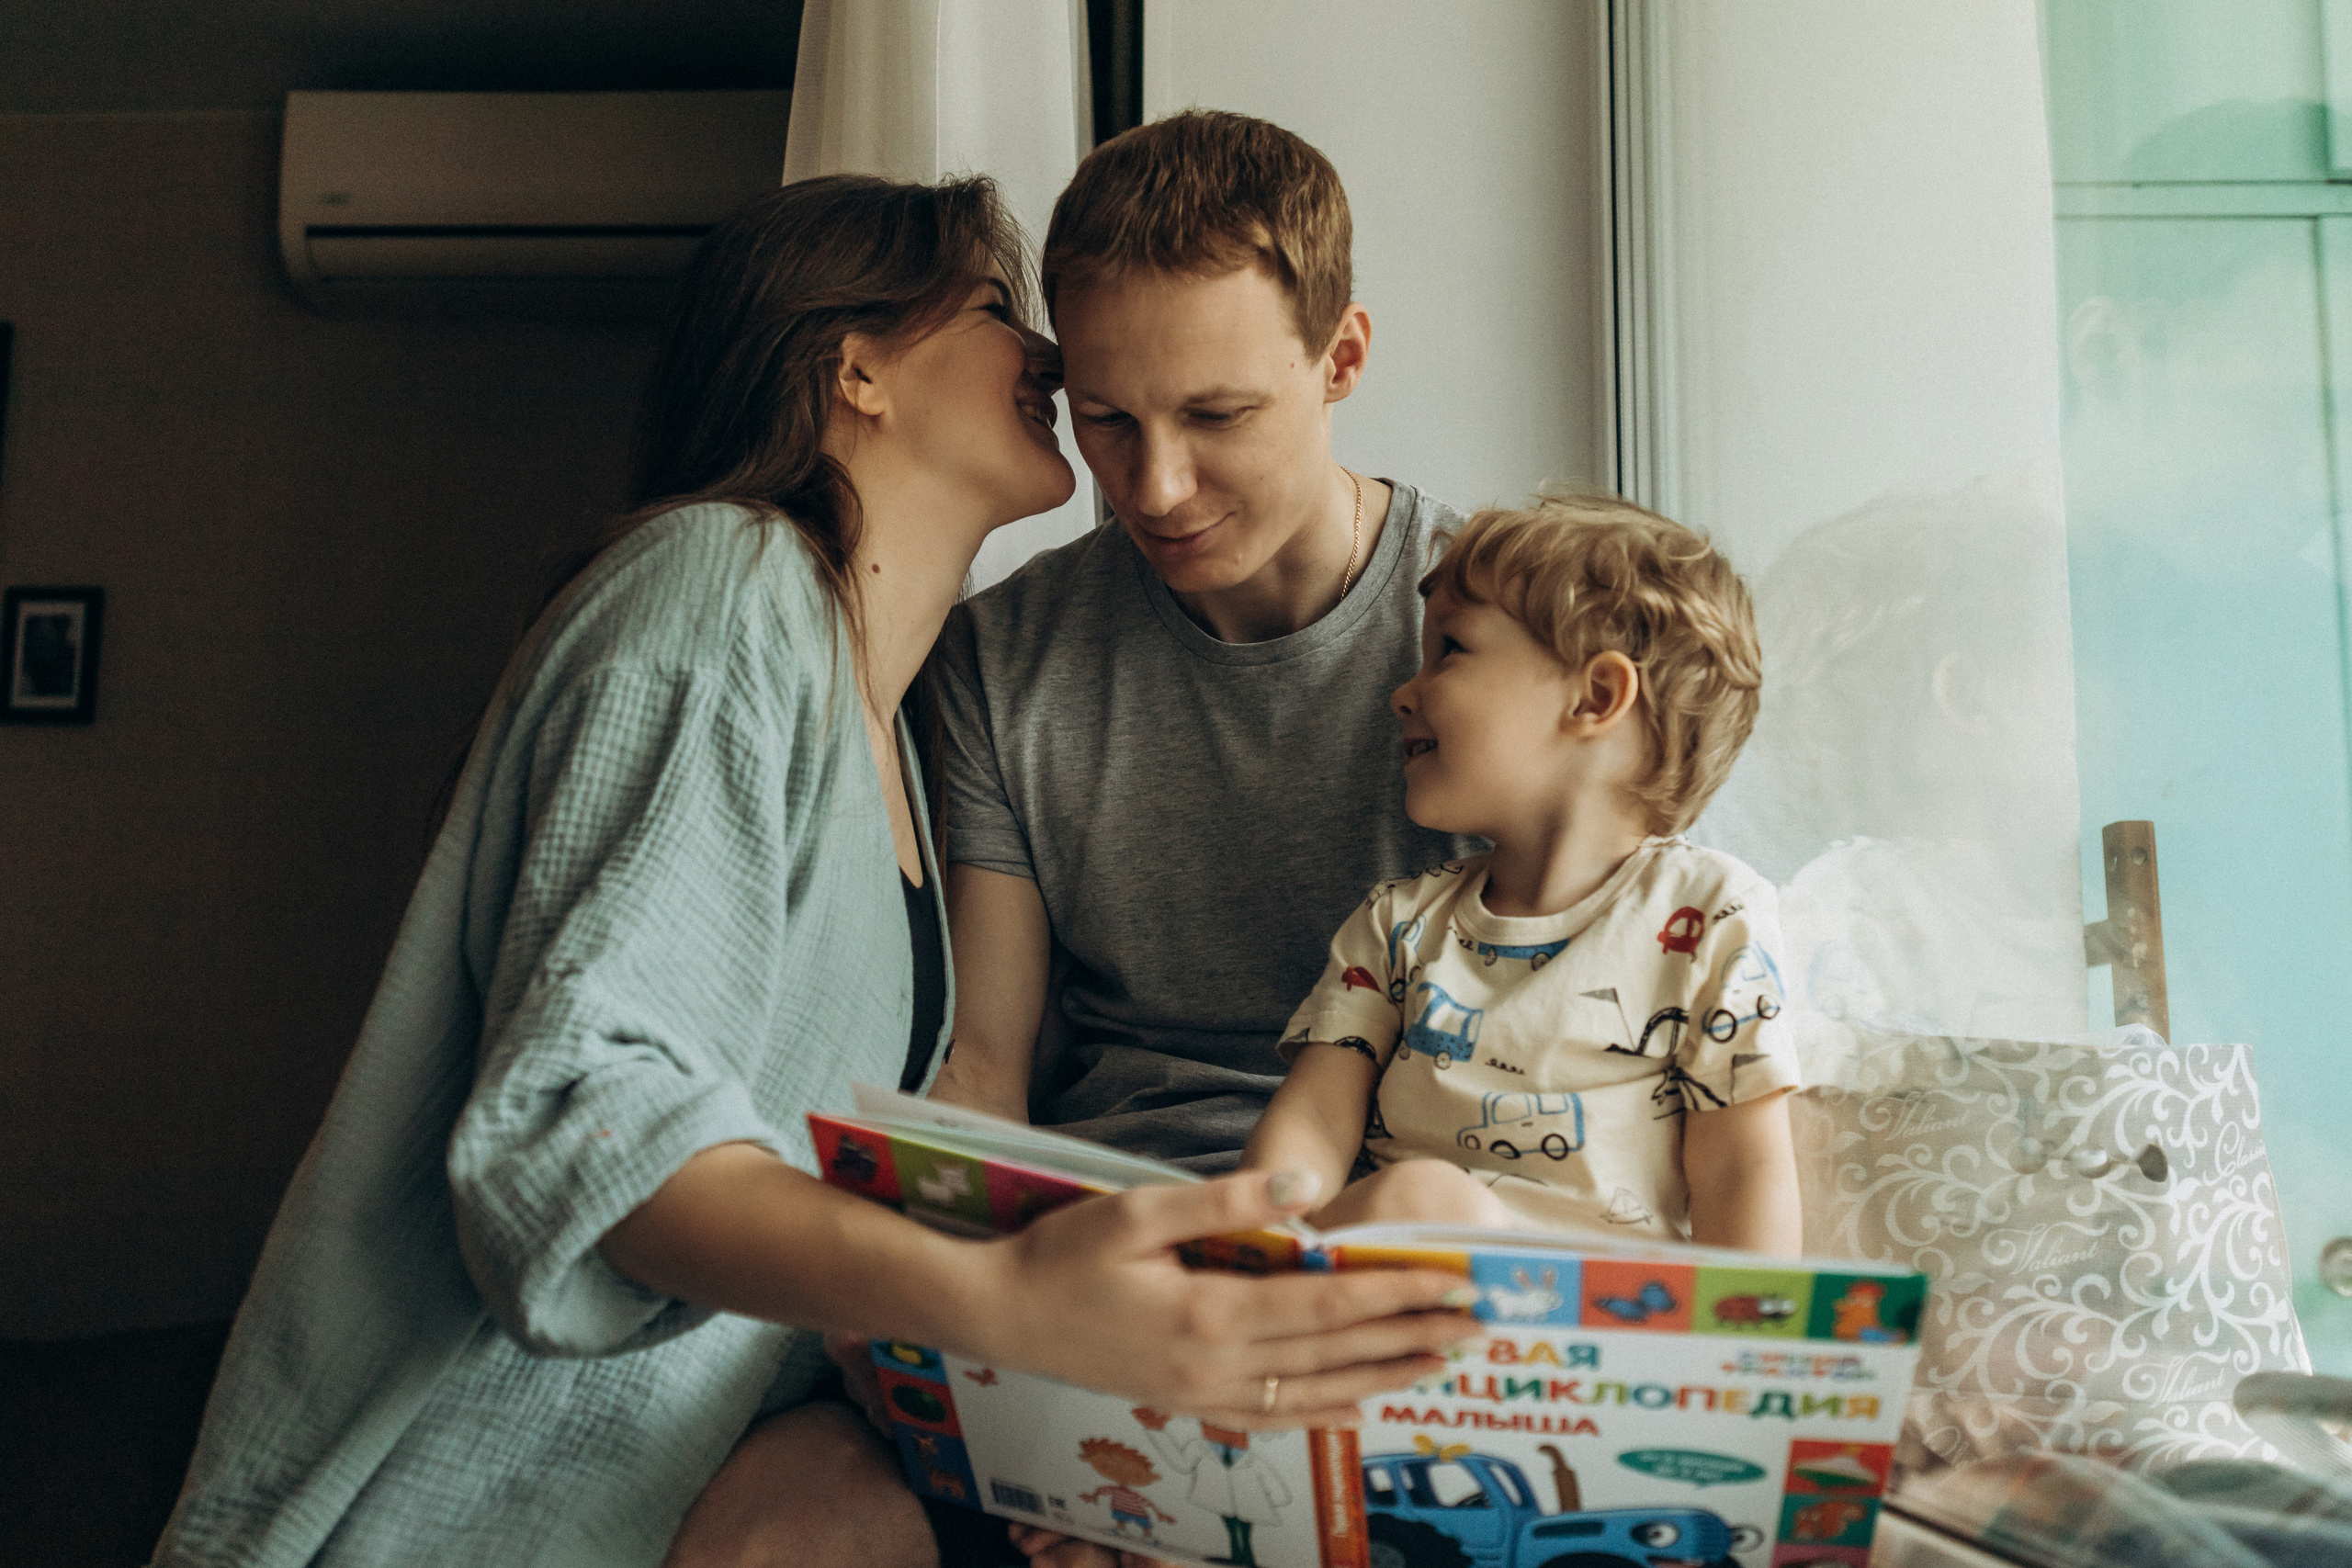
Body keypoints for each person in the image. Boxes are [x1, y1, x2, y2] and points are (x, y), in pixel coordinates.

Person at [148, 174, 1477, 1568]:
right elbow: (586, 1116)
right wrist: (1001, 1305)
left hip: (659, 1482)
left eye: (1213, 413)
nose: (1045, 356)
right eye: (1001, 312)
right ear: (858, 371)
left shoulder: (886, 722)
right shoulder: (723, 588)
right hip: (451, 1507)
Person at [929, 109, 1477, 1166]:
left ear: (1341, 358)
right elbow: (984, 1074)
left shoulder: (1522, 625)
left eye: (1217, 416)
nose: (1155, 489)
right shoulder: (1001, 660)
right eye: (1107, 420)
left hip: (1434, 1209)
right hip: (1123, 1213)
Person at [1238, 493, 1804, 1253]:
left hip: (1602, 1315)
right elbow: (1313, 1118)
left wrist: (1747, 1327)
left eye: (1450, 649)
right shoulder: (1398, 924)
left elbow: (1741, 1167)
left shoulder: (1710, 915)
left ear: (1595, 697)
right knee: (1424, 1197)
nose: (1402, 692)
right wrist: (1258, 1239)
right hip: (1393, 1286)